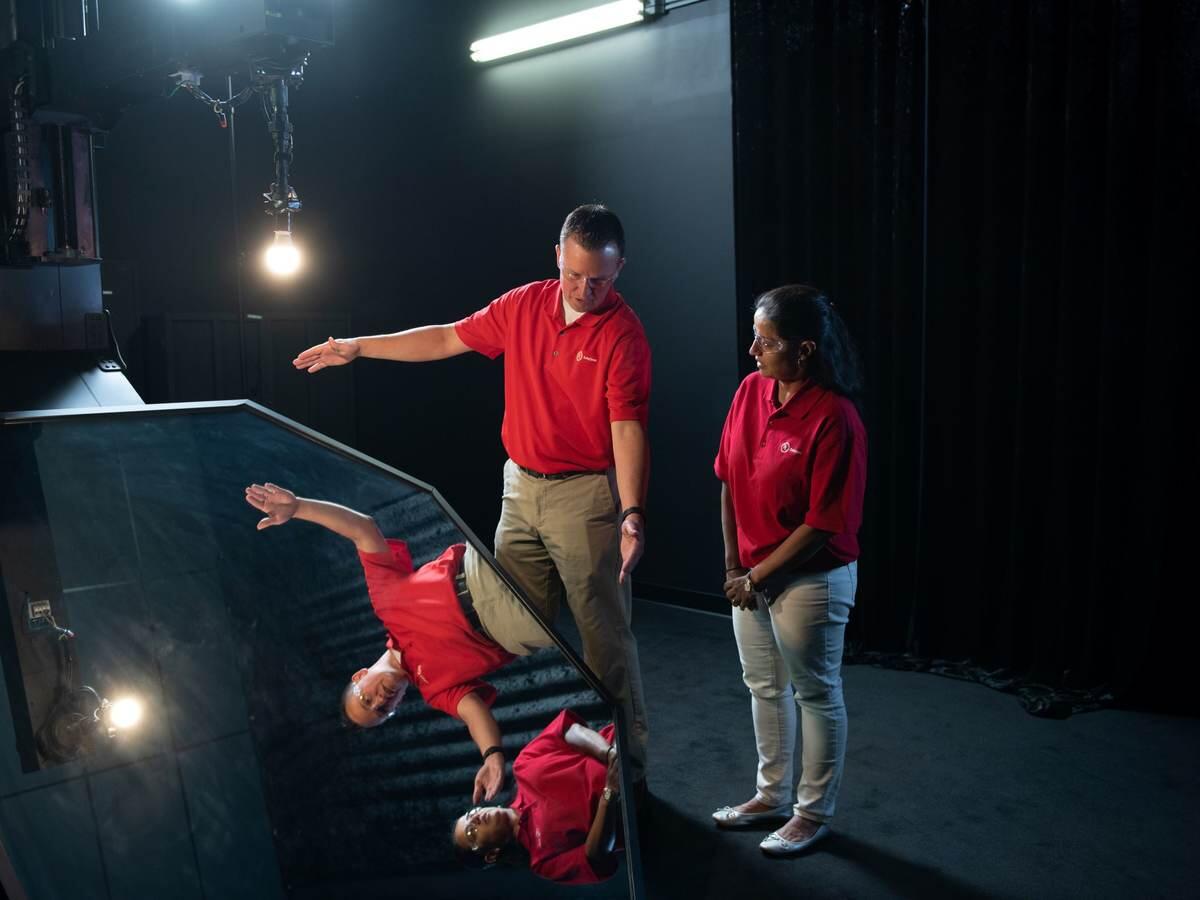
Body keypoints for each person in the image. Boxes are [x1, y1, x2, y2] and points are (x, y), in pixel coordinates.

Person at [291, 204, 651, 789]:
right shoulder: (523, 305)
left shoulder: (623, 334)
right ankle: (587, 754)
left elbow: (627, 427)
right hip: (520, 485)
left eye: (602, 280)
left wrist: (632, 512)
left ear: (620, 269)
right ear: (557, 257)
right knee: (534, 615)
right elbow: (444, 339)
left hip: (584, 492)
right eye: (576, 275)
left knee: (603, 634)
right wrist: (359, 347)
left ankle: (629, 774)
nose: (587, 290)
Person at [244, 481, 555, 803]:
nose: (381, 701)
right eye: (382, 711)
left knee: (537, 486)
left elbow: (363, 530)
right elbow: (475, 713)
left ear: (359, 676)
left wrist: (299, 508)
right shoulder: (435, 689)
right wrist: (492, 755)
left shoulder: (385, 604)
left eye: (366, 700)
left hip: (481, 564)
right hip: (512, 623)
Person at [711, 285, 867, 857]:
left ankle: (811, 813)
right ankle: (770, 796)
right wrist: (735, 565)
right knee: (764, 687)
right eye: (755, 336)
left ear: (804, 350)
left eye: (767, 341)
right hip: (750, 573)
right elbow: (727, 478)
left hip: (810, 580)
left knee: (815, 693)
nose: (753, 350)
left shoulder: (835, 417)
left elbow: (823, 523)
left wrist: (757, 576)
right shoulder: (750, 391)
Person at [451, 709, 623, 885]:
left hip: (623, 743)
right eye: (472, 832)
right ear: (491, 855)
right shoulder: (542, 863)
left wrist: (609, 754)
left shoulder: (522, 765)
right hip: (636, 806)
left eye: (471, 814)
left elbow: (569, 731)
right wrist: (610, 792)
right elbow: (595, 856)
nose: (476, 818)